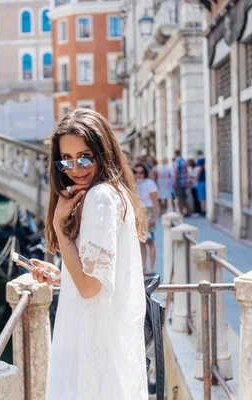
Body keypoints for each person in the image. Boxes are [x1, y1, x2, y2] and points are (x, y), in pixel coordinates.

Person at [29, 109, 148, 399]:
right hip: (102, 341)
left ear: (102, 154)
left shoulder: (101, 198)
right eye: (66, 160)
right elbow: (96, 277)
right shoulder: (113, 192)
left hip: (93, 346)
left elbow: (89, 286)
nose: (75, 168)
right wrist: (60, 277)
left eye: (84, 157)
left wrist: (58, 224)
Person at [135, 164, 160, 275]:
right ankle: (143, 267)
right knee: (141, 242)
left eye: (141, 172)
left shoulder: (150, 184)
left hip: (148, 213)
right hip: (138, 214)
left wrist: (154, 216)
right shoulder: (132, 184)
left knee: (150, 242)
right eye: (136, 172)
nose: (139, 174)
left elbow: (155, 201)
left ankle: (152, 267)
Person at [173, 150, 190, 216]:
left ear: (175, 154)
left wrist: (175, 182)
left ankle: (181, 212)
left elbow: (176, 172)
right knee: (184, 197)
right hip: (184, 182)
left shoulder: (176, 161)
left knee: (180, 198)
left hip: (179, 182)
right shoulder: (184, 161)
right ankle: (187, 211)